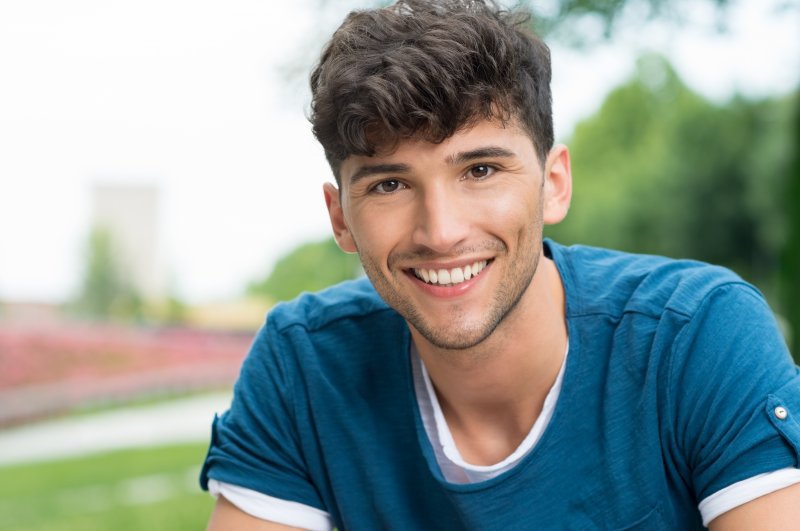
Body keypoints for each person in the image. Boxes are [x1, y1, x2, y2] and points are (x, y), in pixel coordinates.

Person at [200, 1, 800, 528]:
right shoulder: (304, 366)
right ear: (340, 218)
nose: (441, 232)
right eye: (389, 185)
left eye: (480, 171)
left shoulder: (695, 337)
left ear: (553, 183)